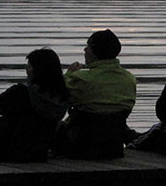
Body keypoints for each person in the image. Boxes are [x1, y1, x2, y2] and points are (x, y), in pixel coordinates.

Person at [57, 28, 137, 158]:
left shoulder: (80, 79)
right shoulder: (129, 79)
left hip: (80, 145)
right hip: (113, 147)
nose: (85, 50)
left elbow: (59, 97)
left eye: (87, 46)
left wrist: (69, 74)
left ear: (94, 51)